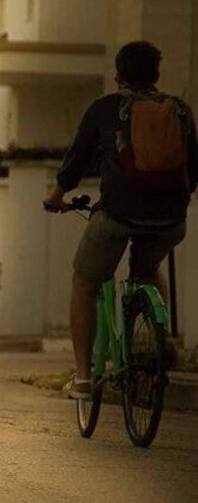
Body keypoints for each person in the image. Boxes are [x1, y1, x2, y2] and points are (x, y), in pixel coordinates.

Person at [43, 41, 198, 400]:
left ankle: (83, 378)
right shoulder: (181, 111)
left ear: (118, 75)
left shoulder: (104, 109)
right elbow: (194, 169)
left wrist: (55, 198)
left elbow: (75, 164)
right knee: (147, 269)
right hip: (171, 221)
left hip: (117, 215)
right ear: (156, 75)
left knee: (85, 281)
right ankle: (154, 350)